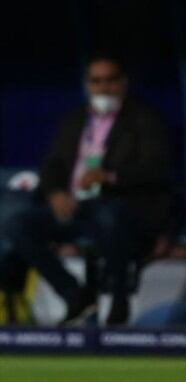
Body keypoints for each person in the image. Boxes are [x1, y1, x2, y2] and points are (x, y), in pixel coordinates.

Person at [7, 53, 173, 325]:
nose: (103, 87)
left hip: (121, 208)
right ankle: (74, 293)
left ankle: (118, 303)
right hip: (76, 208)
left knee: (111, 219)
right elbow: (52, 165)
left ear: (123, 82)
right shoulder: (73, 121)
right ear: (87, 85)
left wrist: (110, 176)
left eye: (110, 80)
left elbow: (156, 169)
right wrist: (56, 194)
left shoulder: (144, 119)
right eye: (96, 81)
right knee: (17, 224)